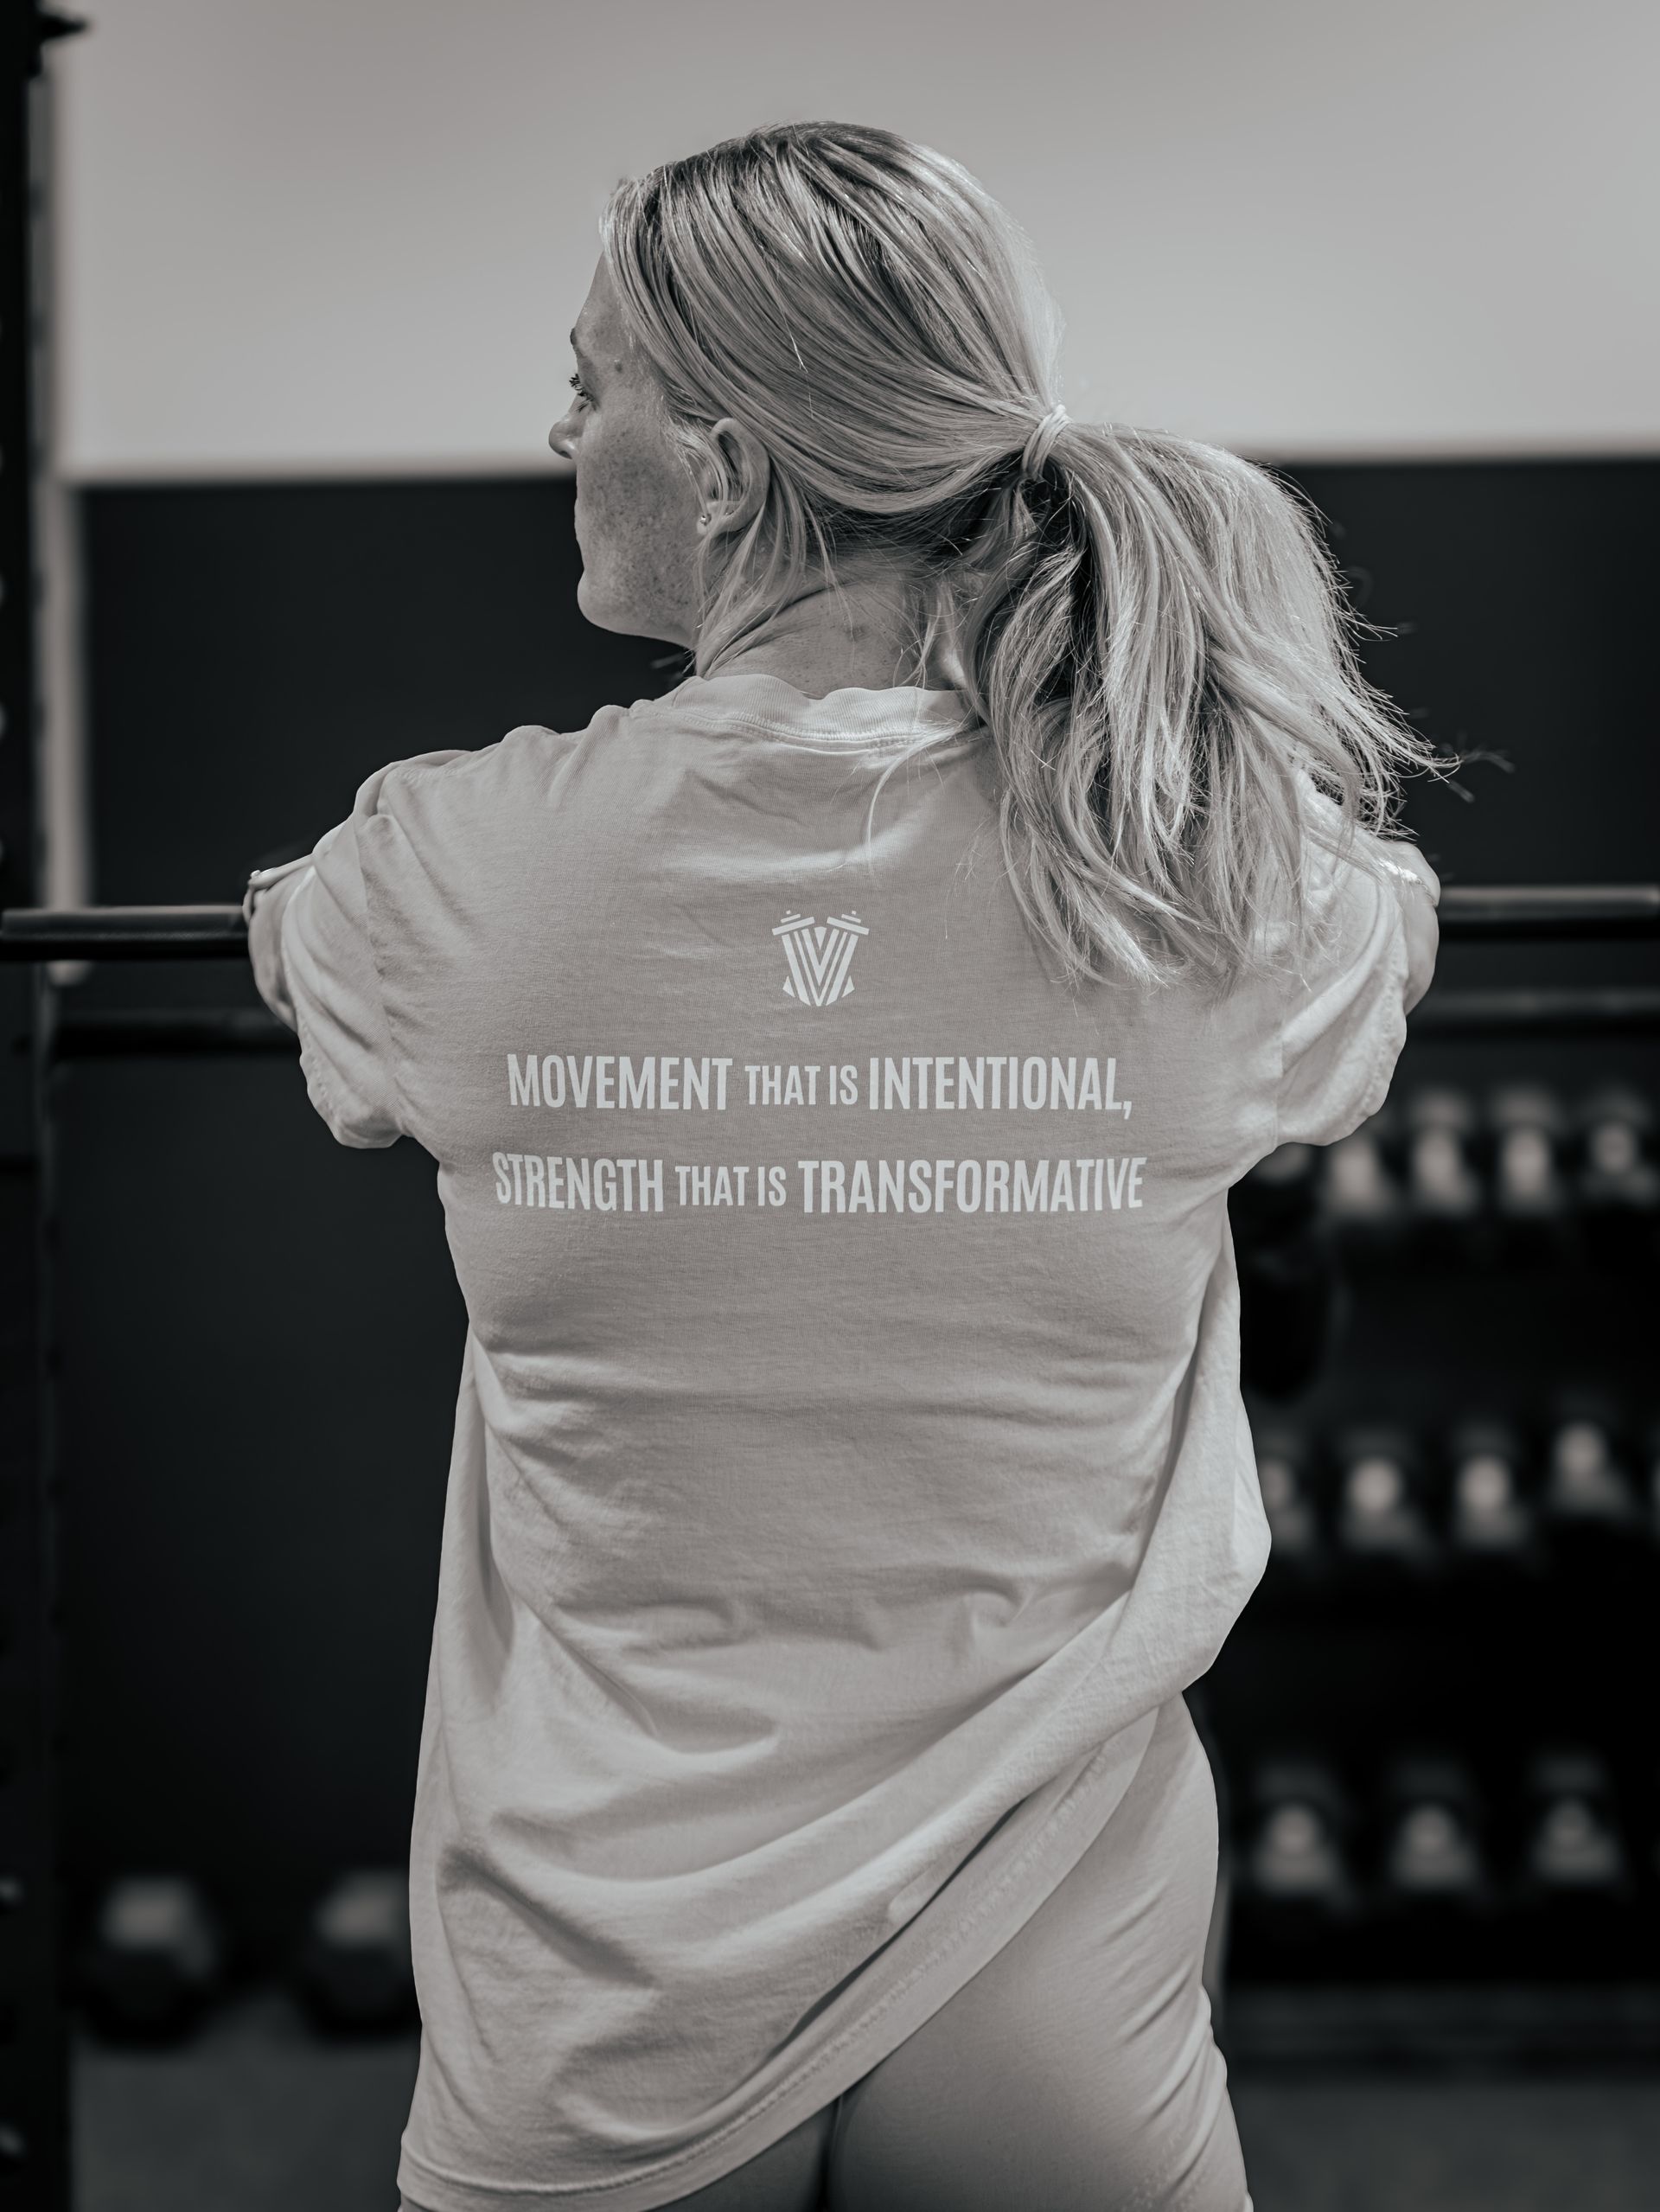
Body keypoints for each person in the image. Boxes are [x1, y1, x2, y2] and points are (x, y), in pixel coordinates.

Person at [247, 120, 1439, 2212]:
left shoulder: (456, 869)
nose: (560, 424)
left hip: (612, 1983)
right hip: (1047, 1948)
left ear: (714, 473)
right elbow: (1379, 926)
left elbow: (304, 937)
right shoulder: (1214, 873)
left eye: (592, 374)